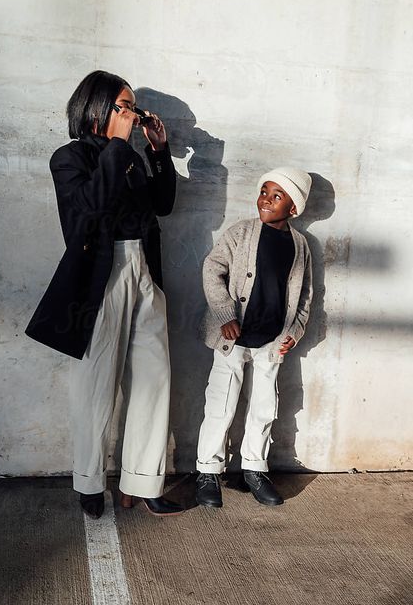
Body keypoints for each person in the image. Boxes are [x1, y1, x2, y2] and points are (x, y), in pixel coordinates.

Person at [25, 70, 183, 518]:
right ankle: (90, 484)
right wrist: (117, 145)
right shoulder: (69, 158)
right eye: (126, 106)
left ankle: (143, 482)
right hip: (101, 275)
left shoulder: (131, 156)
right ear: (97, 107)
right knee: (96, 384)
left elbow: (163, 204)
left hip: (144, 271)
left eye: (134, 108)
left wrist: (158, 150)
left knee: (155, 379)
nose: (133, 115)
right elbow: (88, 212)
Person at [195, 167, 313, 508]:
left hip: (271, 341)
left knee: (264, 407)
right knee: (221, 404)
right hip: (234, 338)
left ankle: (254, 469)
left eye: (277, 196)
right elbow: (212, 269)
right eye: (264, 192)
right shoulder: (241, 232)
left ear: (293, 208)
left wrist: (293, 332)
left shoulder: (300, 244)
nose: (266, 200)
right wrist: (224, 315)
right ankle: (208, 472)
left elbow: (304, 295)